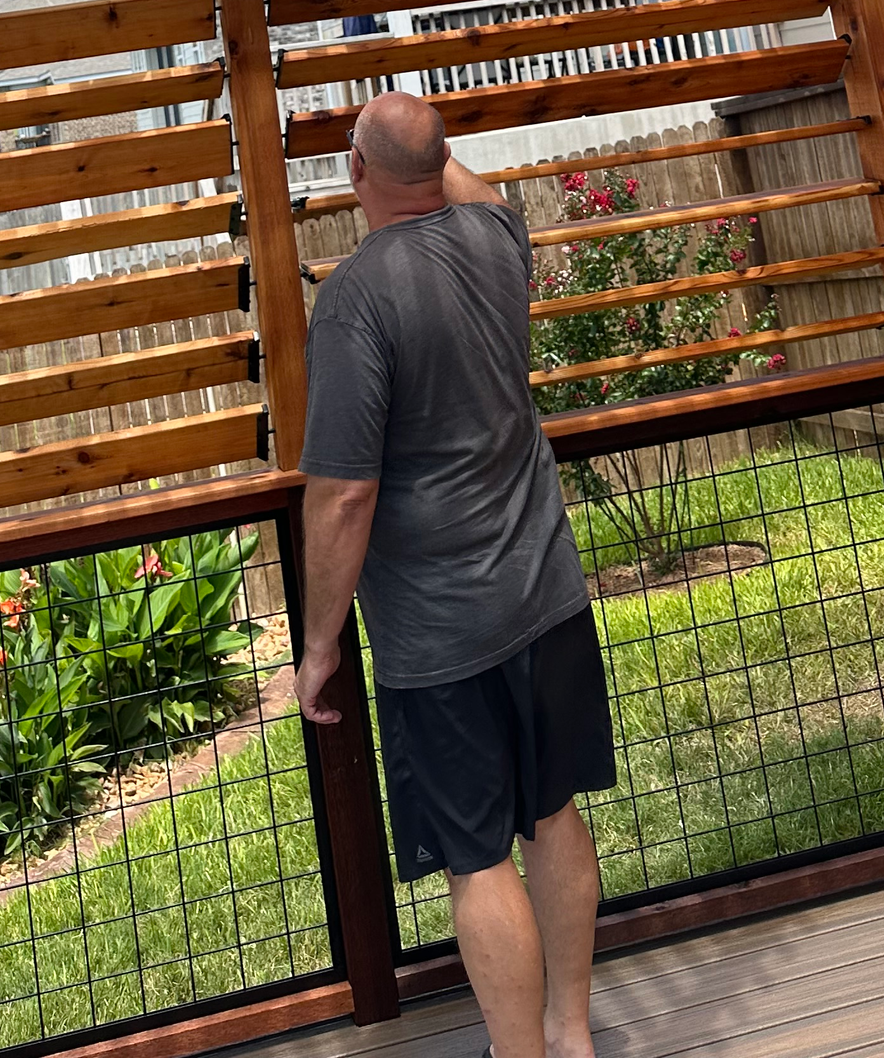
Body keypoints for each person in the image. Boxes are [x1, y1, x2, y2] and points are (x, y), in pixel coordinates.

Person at [295, 90, 614, 1058]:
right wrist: (412, 141)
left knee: (478, 860)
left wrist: (317, 645)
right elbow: (470, 185)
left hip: (442, 631)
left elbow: (344, 496)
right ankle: (571, 1036)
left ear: (355, 171)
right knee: (554, 815)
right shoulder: (495, 239)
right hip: (545, 592)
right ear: (438, 163)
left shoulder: (355, 296)